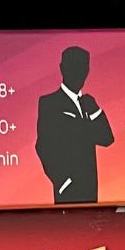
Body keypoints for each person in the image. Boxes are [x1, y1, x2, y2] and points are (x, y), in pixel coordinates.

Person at [34, 46, 114, 204]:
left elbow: (106, 139)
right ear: (63, 68)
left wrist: (96, 111)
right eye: (75, 67)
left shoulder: (87, 104)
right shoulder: (50, 103)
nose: (81, 73)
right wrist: (62, 181)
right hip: (68, 191)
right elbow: (43, 145)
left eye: (84, 67)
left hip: (90, 188)